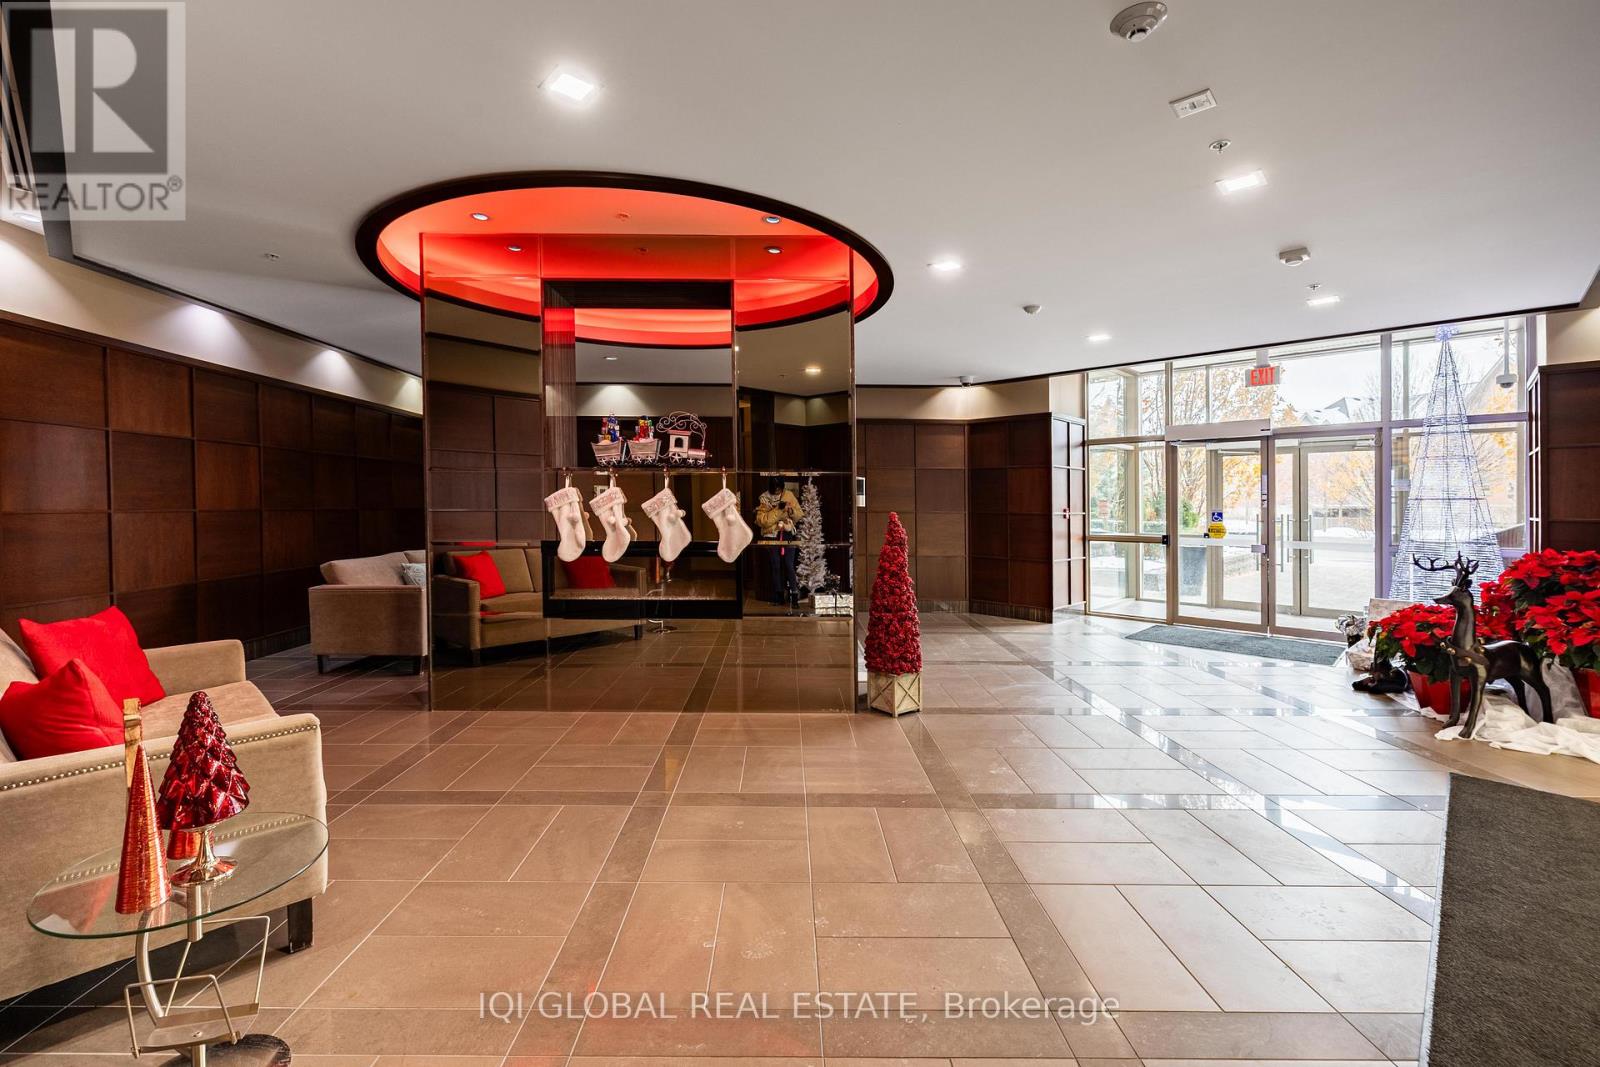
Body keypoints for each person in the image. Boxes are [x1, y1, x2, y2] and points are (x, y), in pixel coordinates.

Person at [755, 476, 803, 607]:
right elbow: (762, 521)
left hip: (787, 534)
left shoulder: (789, 495)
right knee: (775, 565)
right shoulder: (764, 498)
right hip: (771, 535)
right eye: (774, 489)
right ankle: (779, 595)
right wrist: (779, 511)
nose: (777, 491)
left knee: (789, 565)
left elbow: (799, 514)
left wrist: (791, 511)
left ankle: (794, 594)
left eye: (779, 489)